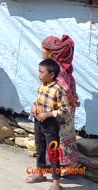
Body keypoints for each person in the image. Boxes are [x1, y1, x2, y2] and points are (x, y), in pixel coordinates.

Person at [27, 59, 69, 190]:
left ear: (51, 75)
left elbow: (65, 109)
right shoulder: (42, 85)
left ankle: (56, 182)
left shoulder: (58, 90)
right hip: (38, 122)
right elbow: (38, 101)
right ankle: (40, 173)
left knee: (52, 152)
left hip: (50, 124)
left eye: (41, 72)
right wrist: (34, 107)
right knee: (39, 148)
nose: (38, 74)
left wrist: (48, 114)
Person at [42, 35, 80, 175]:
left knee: (61, 136)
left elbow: (65, 88)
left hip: (62, 108)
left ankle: (71, 164)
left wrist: (70, 100)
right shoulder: (61, 66)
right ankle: (55, 163)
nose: (41, 51)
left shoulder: (57, 69)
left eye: (43, 49)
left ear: (51, 53)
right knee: (62, 135)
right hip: (63, 107)